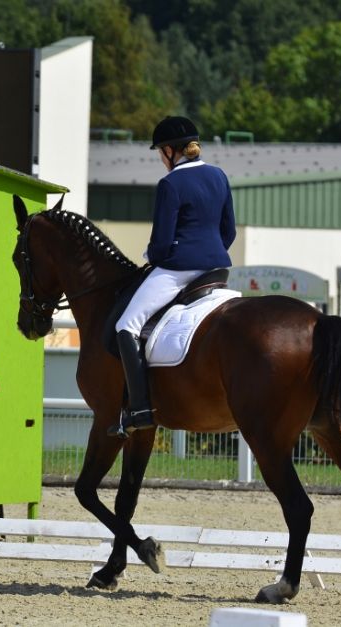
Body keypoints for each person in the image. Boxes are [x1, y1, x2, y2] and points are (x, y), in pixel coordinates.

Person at [110, 116, 236, 438]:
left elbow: (162, 243)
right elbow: (229, 232)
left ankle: (140, 409)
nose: (160, 158)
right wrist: (208, 253)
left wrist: (154, 256)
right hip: (216, 269)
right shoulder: (219, 176)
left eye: (159, 152)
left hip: (179, 270)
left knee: (126, 325)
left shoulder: (171, 184)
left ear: (169, 151)